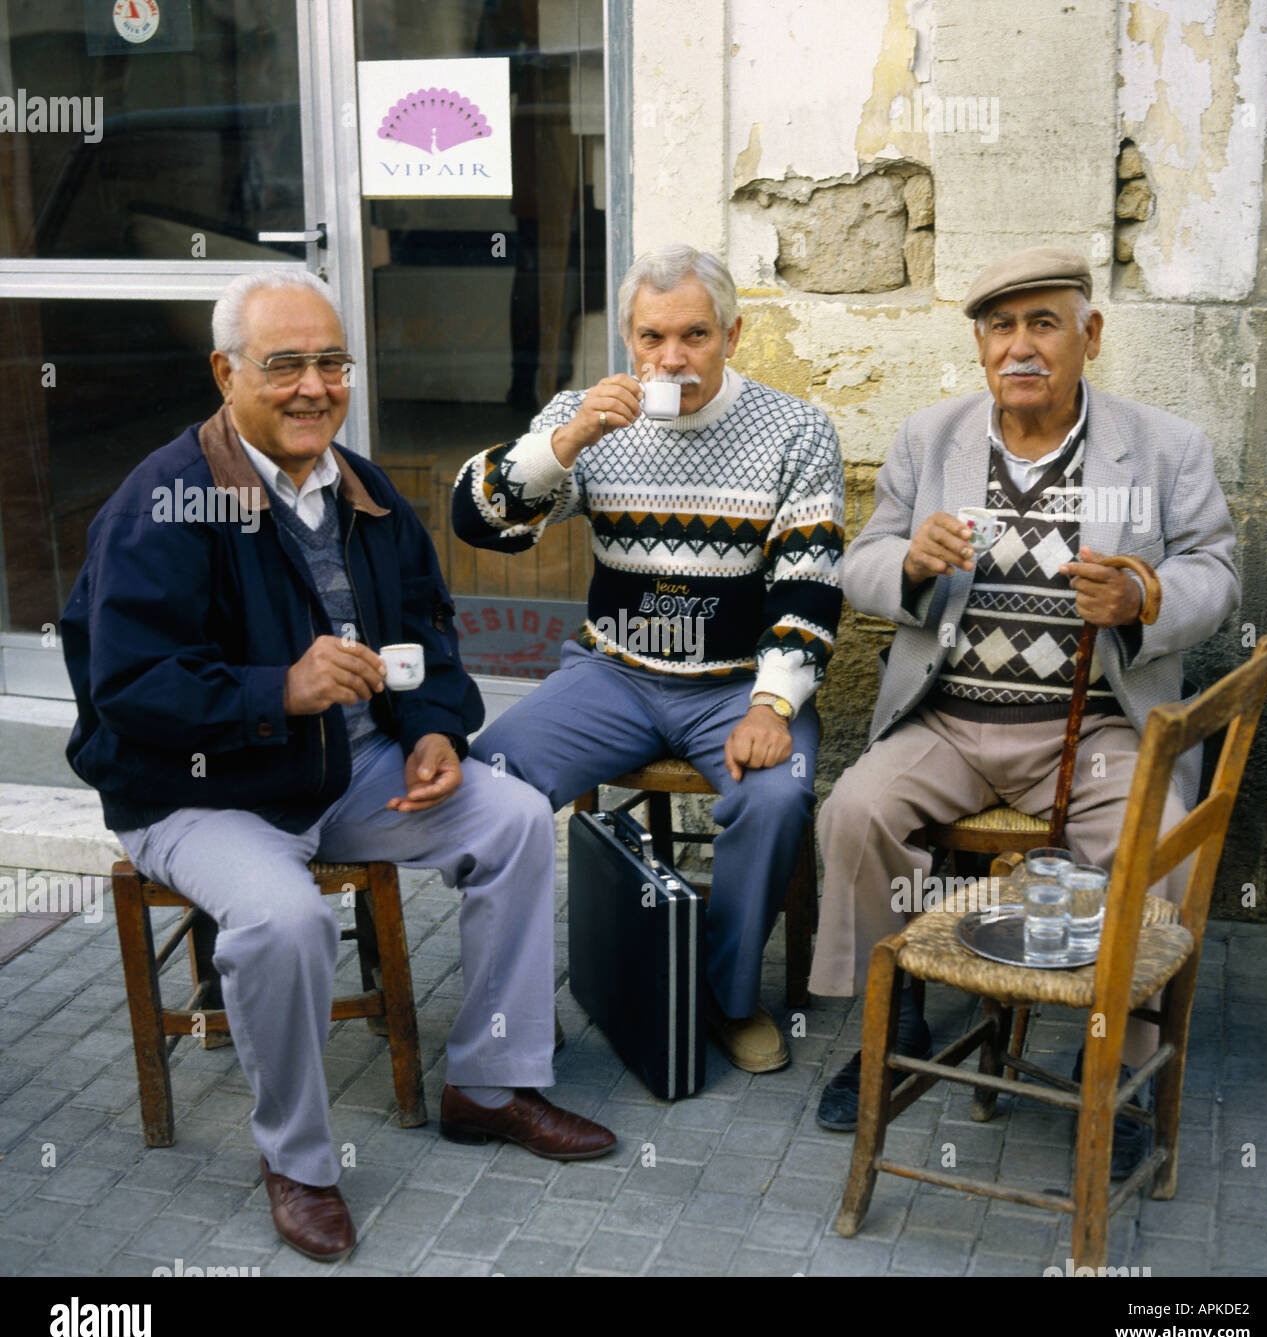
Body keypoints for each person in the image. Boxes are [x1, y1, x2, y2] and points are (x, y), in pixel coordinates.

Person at [61, 268, 615, 1264]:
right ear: (225, 372)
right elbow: (129, 688)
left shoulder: (358, 486)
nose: (314, 385)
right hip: (200, 791)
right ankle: (300, 1160)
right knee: (283, 917)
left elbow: (427, 627)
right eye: (284, 365)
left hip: (348, 767)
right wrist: (278, 688)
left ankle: (489, 1081)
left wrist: (436, 727)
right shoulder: (164, 503)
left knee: (516, 816)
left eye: (330, 362)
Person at [809, 246, 1240, 1171]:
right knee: (854, 810)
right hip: (951, 719)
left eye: (1044, 323)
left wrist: (1147, 598)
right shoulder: (932, 440)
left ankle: (1121, 1068)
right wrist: (911, 566)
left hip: (1095, 729)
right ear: (979, 346)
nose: (1021, 347)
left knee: (1156, 841)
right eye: (1001, 327)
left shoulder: (1163, 446)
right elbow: (860, 563)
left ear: (1089, 335)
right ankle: (896, 1016)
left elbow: (1220, 574)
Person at [452, 244, 845, 1074]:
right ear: (629, 339)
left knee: (773, 801)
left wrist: (774, 705)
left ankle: (725, 998)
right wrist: (567, 439)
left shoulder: (796, 430)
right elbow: (476, 518)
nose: (672, 359)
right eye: (652, 337)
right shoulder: (590, 418)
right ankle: (512, 1003)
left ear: (733, 335)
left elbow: (809, 587)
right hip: (613, 674)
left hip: (739, 683)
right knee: (486, 781)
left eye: (695, 335)